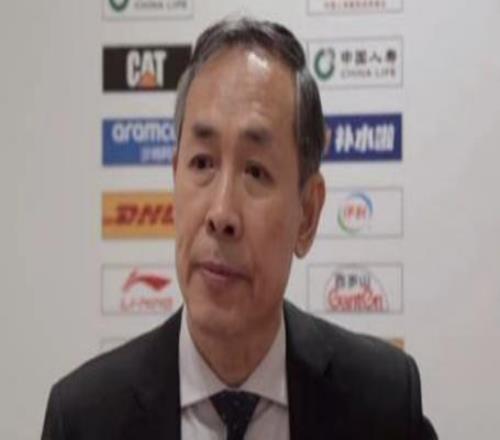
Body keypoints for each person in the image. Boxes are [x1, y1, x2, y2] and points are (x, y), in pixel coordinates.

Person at [42, 17, 437, 440]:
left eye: (256, 171)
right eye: (202, 163)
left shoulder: (384, 405)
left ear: (307, 214)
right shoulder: (83, 419)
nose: (221, 213)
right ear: (175, 178)